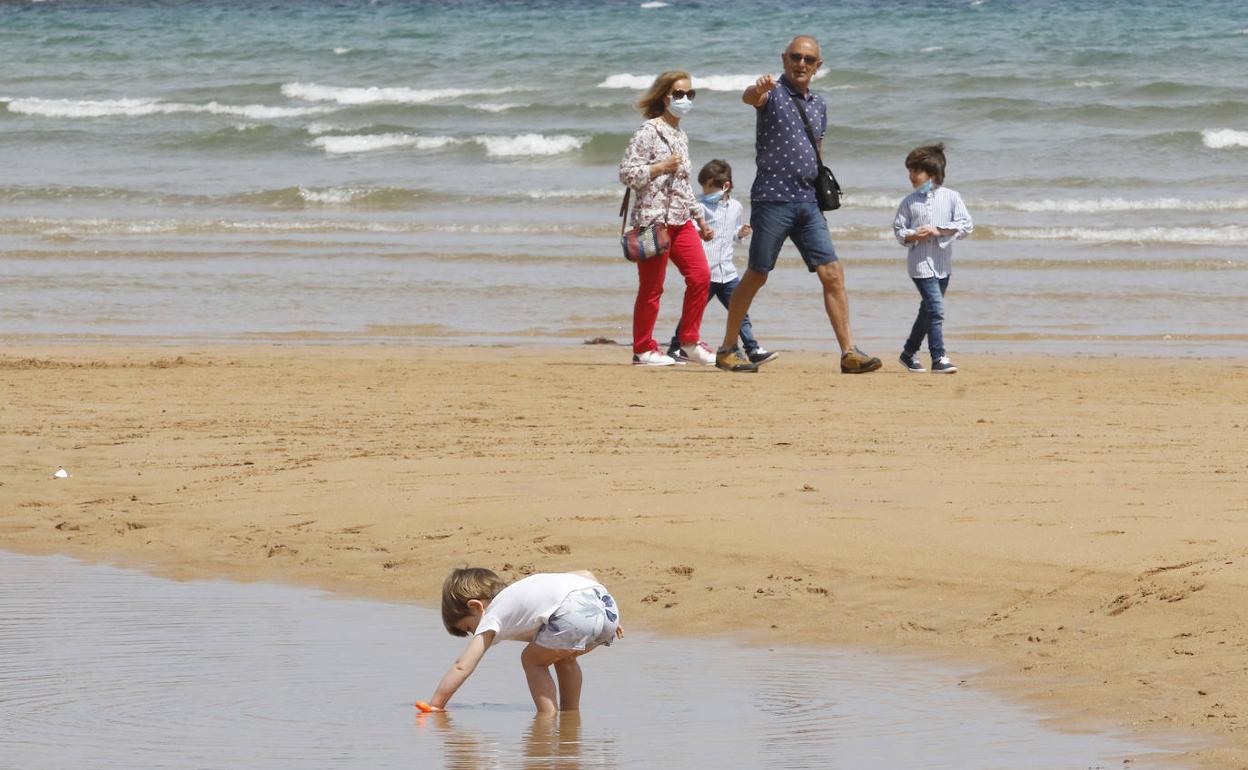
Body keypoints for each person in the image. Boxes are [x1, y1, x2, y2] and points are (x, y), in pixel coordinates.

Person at [715, 35, 881, 374]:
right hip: (772, 199)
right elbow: (750, 98)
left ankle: (849, 352)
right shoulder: (771, 93)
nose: (801, 63)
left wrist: (821, 185)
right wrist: (757, 87)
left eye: (808, 59)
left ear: (818, 66)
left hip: (808, 202)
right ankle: (728, 348)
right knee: (757, 274)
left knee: (832, 273)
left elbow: (817, 149)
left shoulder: (819, 104)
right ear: (784, 59)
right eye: (795, 57)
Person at [423, 567, 622, 713]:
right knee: (564, 657)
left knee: (532, 660)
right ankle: (571, 715)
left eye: (468, 627)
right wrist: (601, 613)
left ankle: (547, 719)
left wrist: (435, 704)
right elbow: (586, 574)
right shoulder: (523, 591)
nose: (475, 632)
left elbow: (462, 667)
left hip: (571, 613)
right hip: (605, 607)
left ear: (476, 606)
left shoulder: (492, 614)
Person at [619, 71, 716, 366]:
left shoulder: (681, 136)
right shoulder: (648, 131)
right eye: (679, 94)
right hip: (653, 221)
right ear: (665, 97)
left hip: (681, 219)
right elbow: (627, 173)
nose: (685, 100)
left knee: (701, 277)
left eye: (690, 94)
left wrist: (700, 219)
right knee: (652, 288)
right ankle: (643, 349)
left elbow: (684, 185)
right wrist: (660, 166)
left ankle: (689, 342)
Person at [665, 159, 778, 366]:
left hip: (727, 272)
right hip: (705, 271)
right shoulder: (699, 206)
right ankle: (676, 347)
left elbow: (732, 233)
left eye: (708, 187)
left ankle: (752, 349)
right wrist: (700, 230)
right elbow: (688, 230)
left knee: (740, 311)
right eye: (703, 187)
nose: (705, 191)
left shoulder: (735, 207)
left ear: (725, 186)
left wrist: (740, 234)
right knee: (693, 312)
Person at [893, 143, 973, 374]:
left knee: (927, 311)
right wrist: (913, 234)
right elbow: (899, 231)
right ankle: (938, 357)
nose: (911, 176)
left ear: (932, 173)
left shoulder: (952, 197)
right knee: (936, 309)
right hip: (919, 265)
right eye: (910, 171)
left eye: (916, 171)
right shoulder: (909, 202)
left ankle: (908, 353)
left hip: (942, 264)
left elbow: (966, 226)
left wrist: (939, 230)